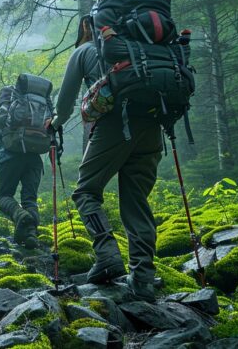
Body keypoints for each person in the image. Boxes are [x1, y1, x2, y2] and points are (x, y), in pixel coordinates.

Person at [51, 16, 163, 302]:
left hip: (114, 126)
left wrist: (54, 122)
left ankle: (107, 253)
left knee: (86, 190)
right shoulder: (143, 49)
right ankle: (143, 280)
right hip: (152, 128)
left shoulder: (84, 52)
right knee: (137, 202)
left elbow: (64, 104)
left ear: (87, 27)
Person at [0, 74, 54, 250]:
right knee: (30, 199)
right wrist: (55, 150)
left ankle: (20, 215)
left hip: (11, 153)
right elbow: (53, 126)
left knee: (5, 197)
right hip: (35, 154)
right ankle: (30, 235)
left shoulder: (9, 95)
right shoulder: (41, 102)